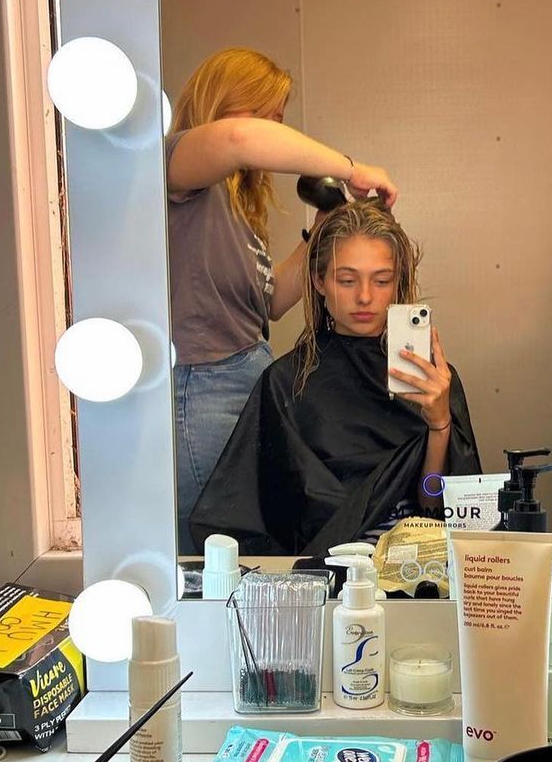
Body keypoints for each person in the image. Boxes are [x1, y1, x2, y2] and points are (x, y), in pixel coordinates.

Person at [166, 47, 397, 553]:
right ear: (225, 102)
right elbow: (240, 139)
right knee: (213, 549)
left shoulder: (230, 205)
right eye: (267, 115)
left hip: (250, 373)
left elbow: (270, 302)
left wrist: (322, 224)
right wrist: (351, 169)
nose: (275, 129)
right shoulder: (176, 164)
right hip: (205, 391)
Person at [189, 198, 481, 556]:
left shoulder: (433, 381)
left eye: (382, 280)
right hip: (324, 568)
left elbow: (436, 511)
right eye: (347, 280)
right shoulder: (285, 384)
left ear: (397, 283)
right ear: (319, 280)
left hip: (415, 565)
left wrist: (439, 427)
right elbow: (253, 520)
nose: (364, 297)